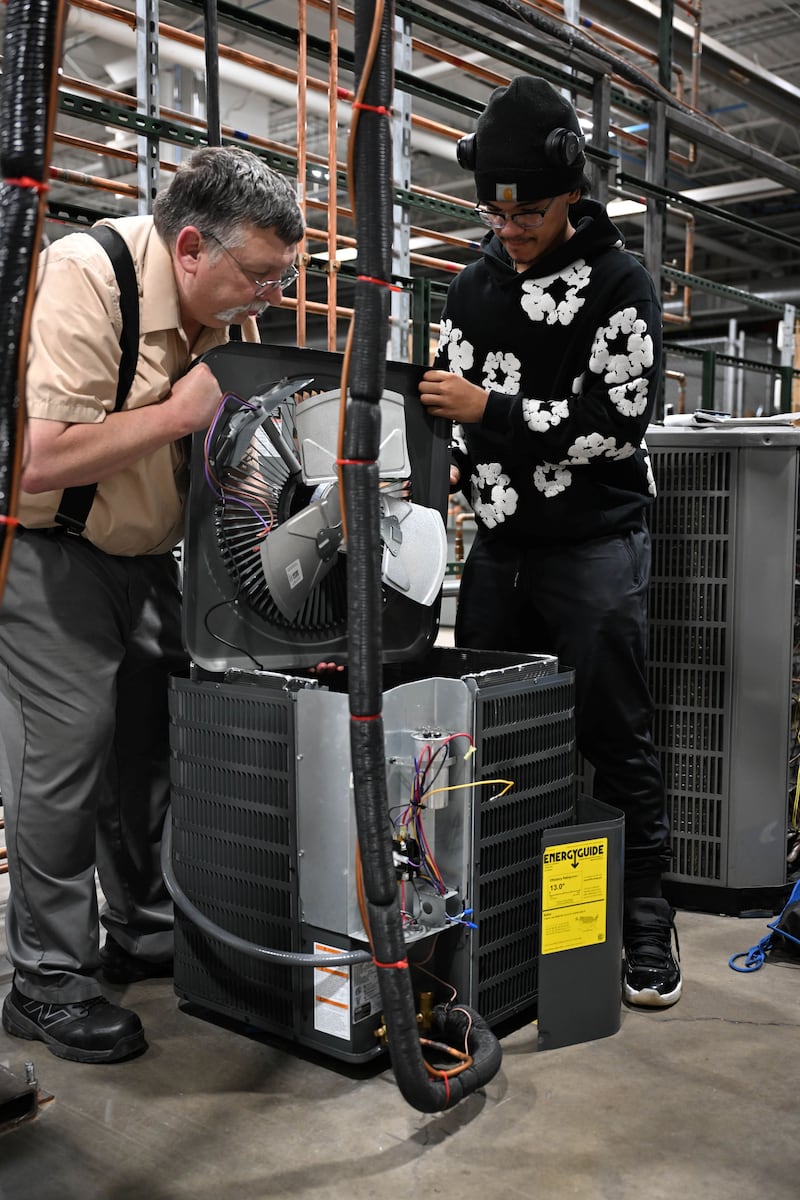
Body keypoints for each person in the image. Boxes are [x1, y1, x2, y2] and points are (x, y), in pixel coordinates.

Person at [0, 146, 305, 1062]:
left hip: (143, 558)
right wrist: (180, 415)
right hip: (48, 553)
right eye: (256, 276)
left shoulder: (219, 316)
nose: (268, 297)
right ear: (187, 248)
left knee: (152, 743)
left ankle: (137, 925)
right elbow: (40, 460)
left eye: (279, 279)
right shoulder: (87, 276)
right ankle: (46, 978)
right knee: (66, 752)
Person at [418, 75, 681, 1009]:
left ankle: (647, 920)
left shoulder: (620, 285)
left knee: (616, 736)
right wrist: (449, 459)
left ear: (571, 192)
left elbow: (619, 420)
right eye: (493, 208)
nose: (510, 226)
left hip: (589, 549)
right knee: (490, 746)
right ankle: (505, 923)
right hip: (498, 547)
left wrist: (490, 410)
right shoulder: (470, 288)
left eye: (528, 209)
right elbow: (449, 415)